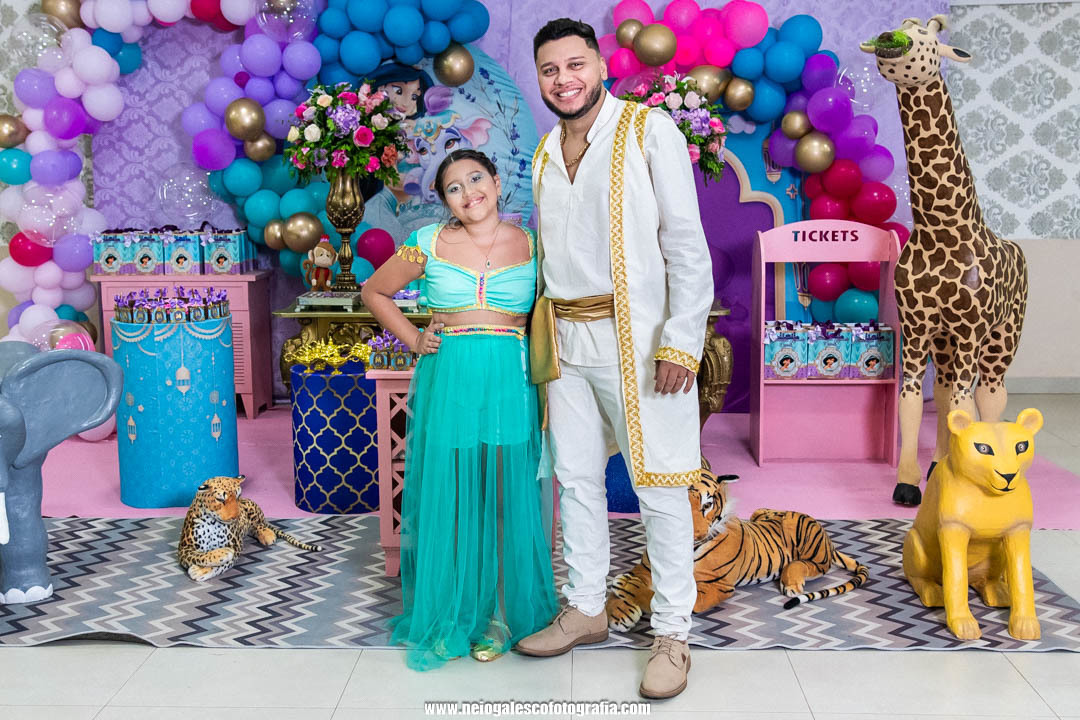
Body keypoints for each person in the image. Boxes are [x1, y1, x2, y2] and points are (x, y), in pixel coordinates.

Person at [515, 19, 712, 700]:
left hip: (641, 340)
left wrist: (681, 340)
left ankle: (673, 635)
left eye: (575, 64)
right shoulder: (545, 151)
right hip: (566, 341)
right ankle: (586, 608)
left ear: (601, 65)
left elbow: (685, 244)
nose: (564, 79)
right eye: (549, 70)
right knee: (575, 480)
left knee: (659, 487)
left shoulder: (648, 130)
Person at [361, 148, 558, 671]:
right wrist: (412, 339)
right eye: (454, 187)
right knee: (453, 496)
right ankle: (455, 612)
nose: (469, 193)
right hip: (449, 381)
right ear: (445, 200)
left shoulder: (534, 244)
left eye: (476, 179)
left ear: (496, 182)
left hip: (511, 381)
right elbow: (374, 291)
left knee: (505, 496)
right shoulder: (427, 241)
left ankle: (501, 617)